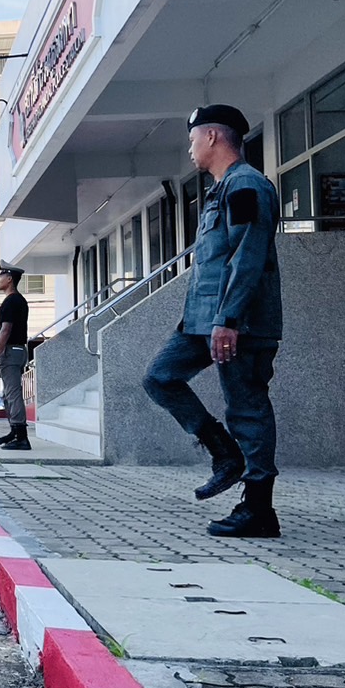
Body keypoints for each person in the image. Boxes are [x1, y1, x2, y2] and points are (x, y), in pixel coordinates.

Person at [143, 105, 283, 538]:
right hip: (203, 320)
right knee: (160, 377)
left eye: (192, 140)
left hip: (238, 322)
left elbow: (247, 256)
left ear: (212, 138)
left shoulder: (246, 185)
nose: (189, 149)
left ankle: (259, 509)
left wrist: (229, 319)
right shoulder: (222, 189)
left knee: (247, 407)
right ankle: (224, 454)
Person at [0, 264, 31, 450]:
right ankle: (14, 432)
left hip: (11, 351)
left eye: (0, 276)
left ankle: (21, 437)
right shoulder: (19, 300)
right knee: (8, 394)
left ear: (9, 279)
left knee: (13, 393)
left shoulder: (11, 301)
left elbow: (5, 330)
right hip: (18, 351)